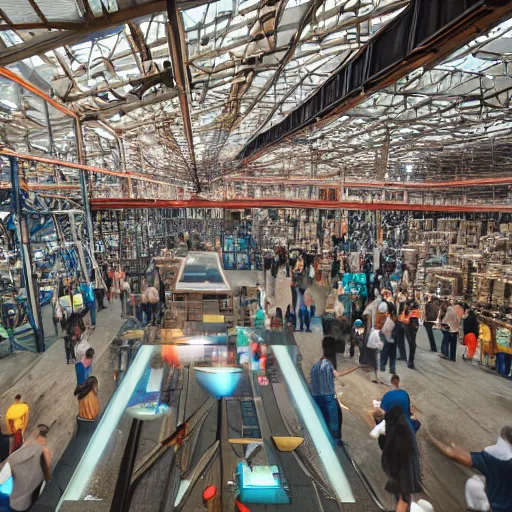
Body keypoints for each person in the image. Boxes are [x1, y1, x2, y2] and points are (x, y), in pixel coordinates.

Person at [430, 425, 512, 512]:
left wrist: (431, 438)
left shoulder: (489, 457)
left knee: (474, 483)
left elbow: (453, 454)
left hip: (492, 508)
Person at [381, 406, 422, 512]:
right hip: (404, 473)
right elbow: (417, 424)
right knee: (404, 500)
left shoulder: (389, 431)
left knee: (400, 498)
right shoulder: (405, 431)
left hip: (394, 471)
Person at [6, 424, 52, 512]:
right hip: (29, 499)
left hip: (18, 502)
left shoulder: (20, 454)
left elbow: (12, 462)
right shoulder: (46, 454)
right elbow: (47, 476)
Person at [310, 351, 342, 442]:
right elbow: (338, 375)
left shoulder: (314, 367)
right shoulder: (328, 364)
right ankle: (336, 440)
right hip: (328, 396)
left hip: (316, 396)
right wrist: (357, 367)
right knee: (334, 419)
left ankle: (321, 437)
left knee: (322, 417)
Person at [405, 301, 422, 369]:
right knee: (412, 345)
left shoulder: (411, 313)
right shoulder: (414, 313)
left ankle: (410, 361)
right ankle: (410, 361)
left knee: (411, 345)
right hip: (412, 328)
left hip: (410, 328)